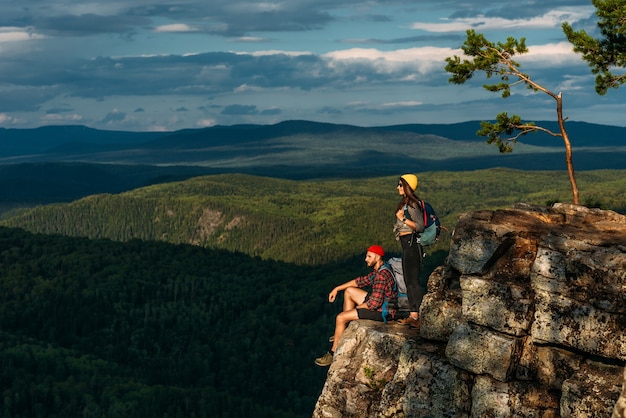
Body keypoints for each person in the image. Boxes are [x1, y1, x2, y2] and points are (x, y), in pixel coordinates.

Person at [314, 245, 397, 367]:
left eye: (369, 256)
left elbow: (374, 304)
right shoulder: (381, 269)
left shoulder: (381, 275)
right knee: (349, 291)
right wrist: (337, 289)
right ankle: (343, 330)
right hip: (382, 303)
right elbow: (359, 281)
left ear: (378, 257)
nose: (366, 259)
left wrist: (355, 310)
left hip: (383, 311)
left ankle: (333, 353)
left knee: (340, 317)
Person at [394, 174, 425, 329]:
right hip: (407, 245)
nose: (398, 187)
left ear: (407, 186)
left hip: (413, 245)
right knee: (408, 281)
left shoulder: (413, 204)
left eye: (400, 184)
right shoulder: (406, 203)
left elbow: (420, 226)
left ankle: (418, 316)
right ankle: (413, 315)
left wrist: (403, 219)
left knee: (413, 281)